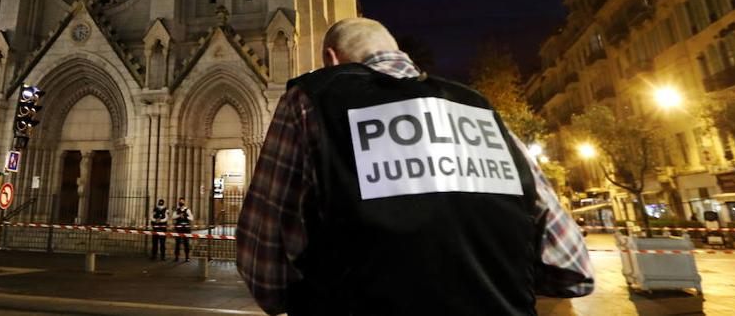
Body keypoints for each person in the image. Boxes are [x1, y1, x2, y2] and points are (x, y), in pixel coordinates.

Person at [237, 18, 594, 315]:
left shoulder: (311, 101)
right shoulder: (479, 110)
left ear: (333, 60)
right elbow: (572, 268)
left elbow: (265, 273)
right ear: (400, 55)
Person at [173, 197, 193, 262]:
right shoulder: (177, 210)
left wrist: (185, 216)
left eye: (182, 201)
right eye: (180, 201)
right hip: (178, 229)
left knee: (186, 243)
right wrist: (179, 215)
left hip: (186, 229)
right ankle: (176, 257)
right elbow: (173, 217)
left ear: (184, 202)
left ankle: (187, 257)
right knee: (177, 243)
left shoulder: (187, 210)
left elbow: (191, 218)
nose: (181, 202)